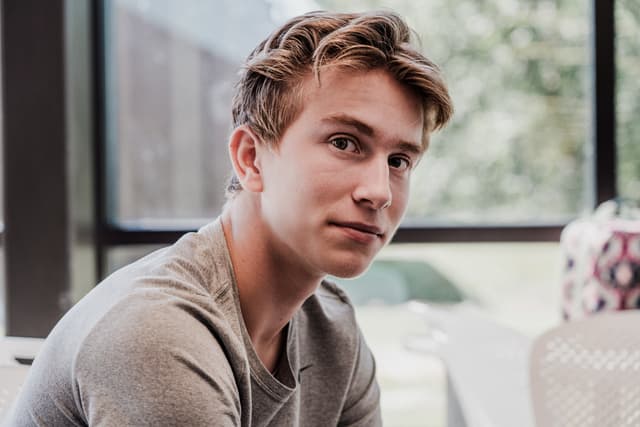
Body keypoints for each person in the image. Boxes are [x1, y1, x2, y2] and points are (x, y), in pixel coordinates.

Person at [6, 10, 452, 427]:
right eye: (344, 142)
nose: (377, 191)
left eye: (399, 161)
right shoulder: (157, 335)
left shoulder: (332, 331)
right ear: (250, 158)